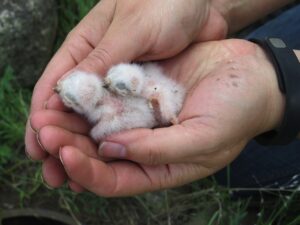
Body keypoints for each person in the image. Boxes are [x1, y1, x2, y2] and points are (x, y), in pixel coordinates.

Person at [25, 0, 300, 196]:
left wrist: (273, 88)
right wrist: (209, 6)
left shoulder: (115, 110)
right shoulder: (121, 100)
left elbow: (137, 100)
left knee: (244, 168)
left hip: (151, 97)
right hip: (149, 95)